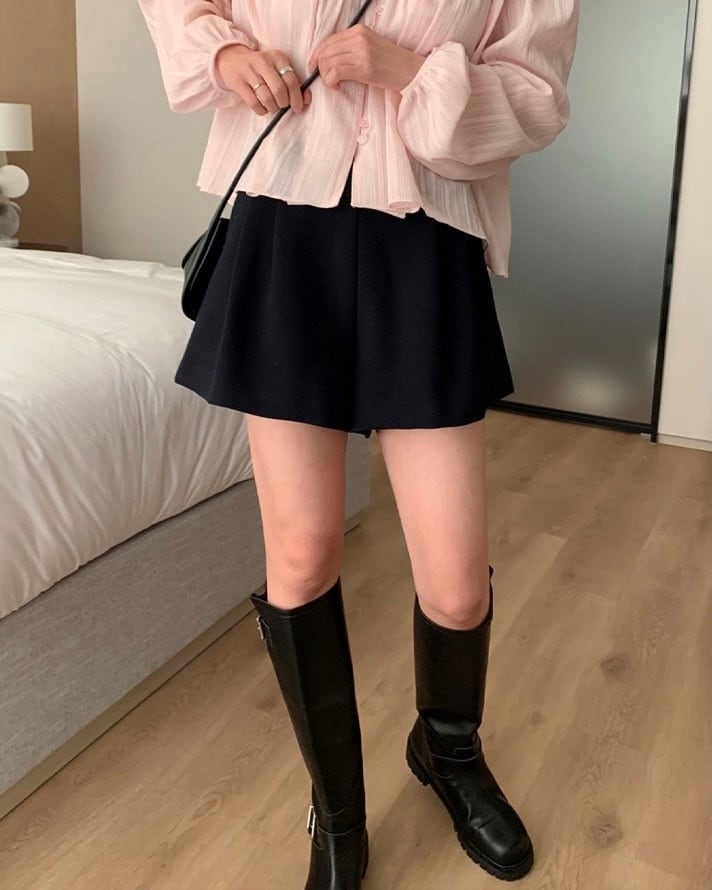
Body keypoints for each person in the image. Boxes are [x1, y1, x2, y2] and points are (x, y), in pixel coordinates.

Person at [138, 1, 579, 886]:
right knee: (302, 559)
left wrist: (410, 71)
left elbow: (537, 95)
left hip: (426, 237)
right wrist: (219, 54)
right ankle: (337, 812)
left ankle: (446, 752)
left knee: (456, 584)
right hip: (282, 224)